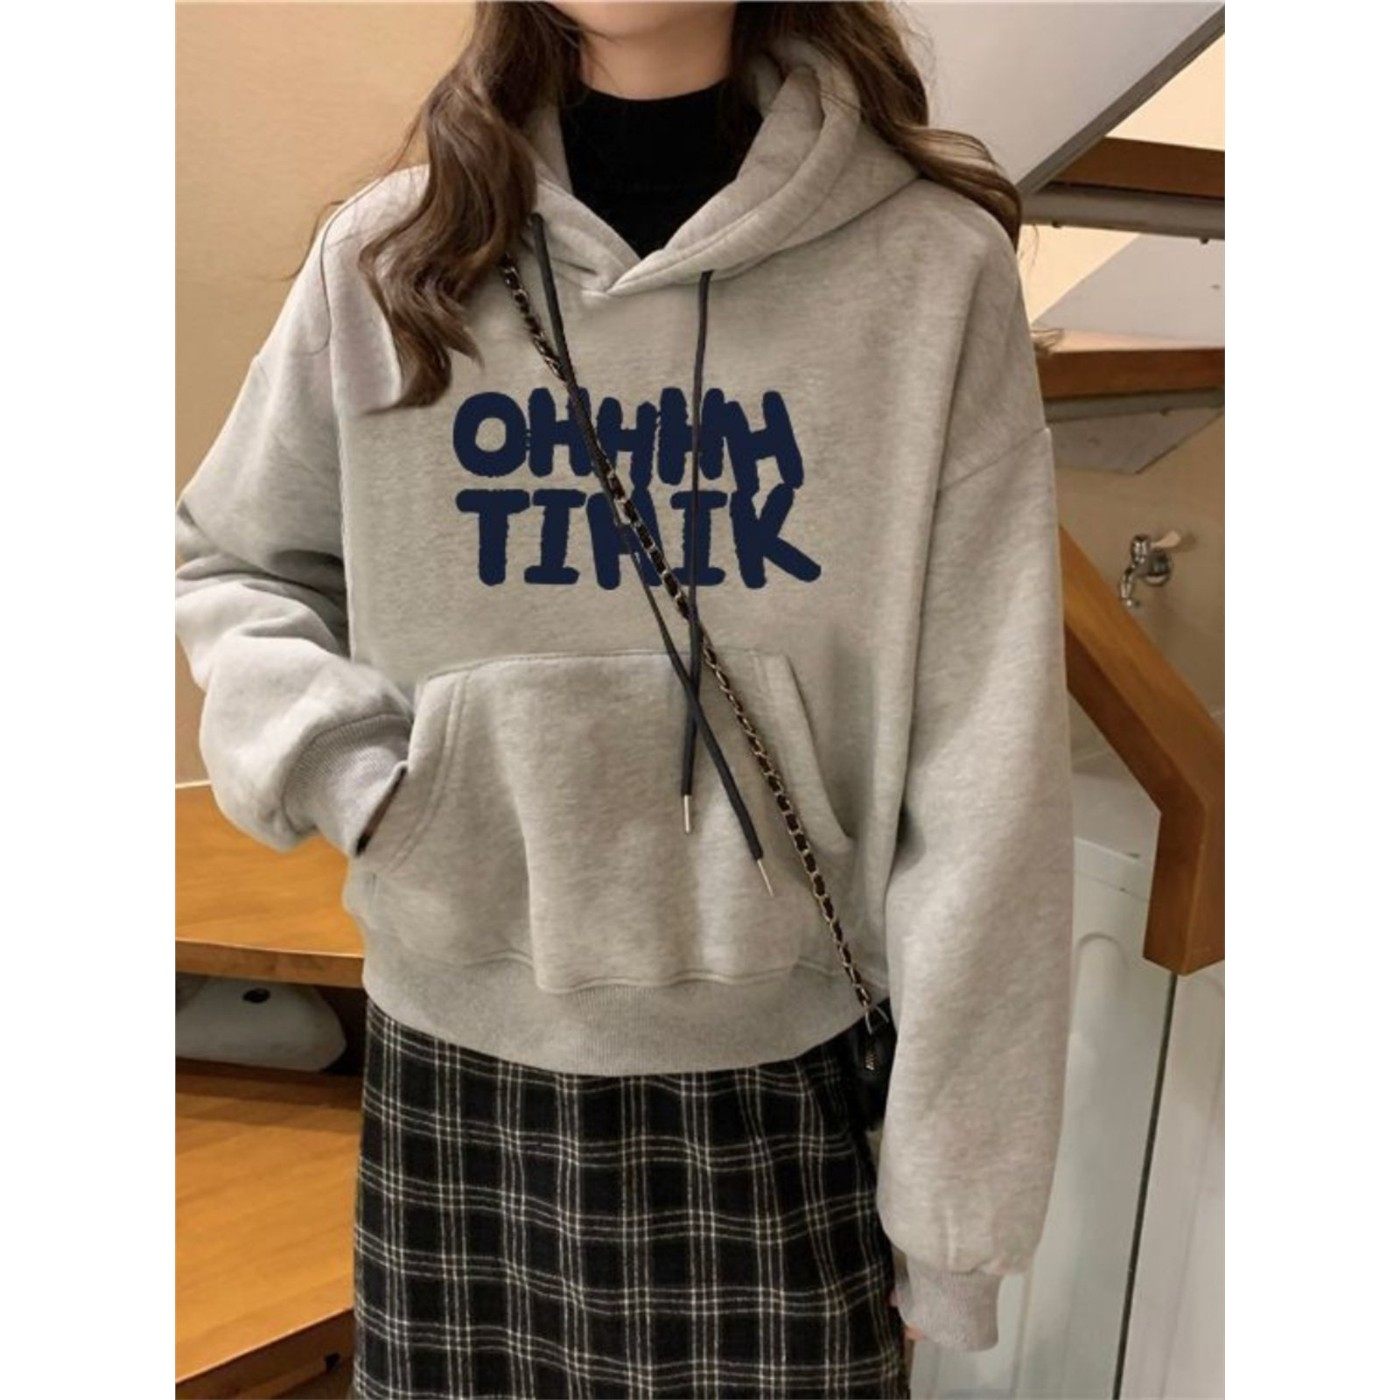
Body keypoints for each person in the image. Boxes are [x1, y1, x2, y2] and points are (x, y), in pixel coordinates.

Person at [174, 2, 1075, 1396]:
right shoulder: (390, 258)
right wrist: (360, 778)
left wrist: (951, 1219)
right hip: (457, 1052)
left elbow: (988, 765)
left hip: (780, 1078)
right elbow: (233, 560)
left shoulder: (928, 271)